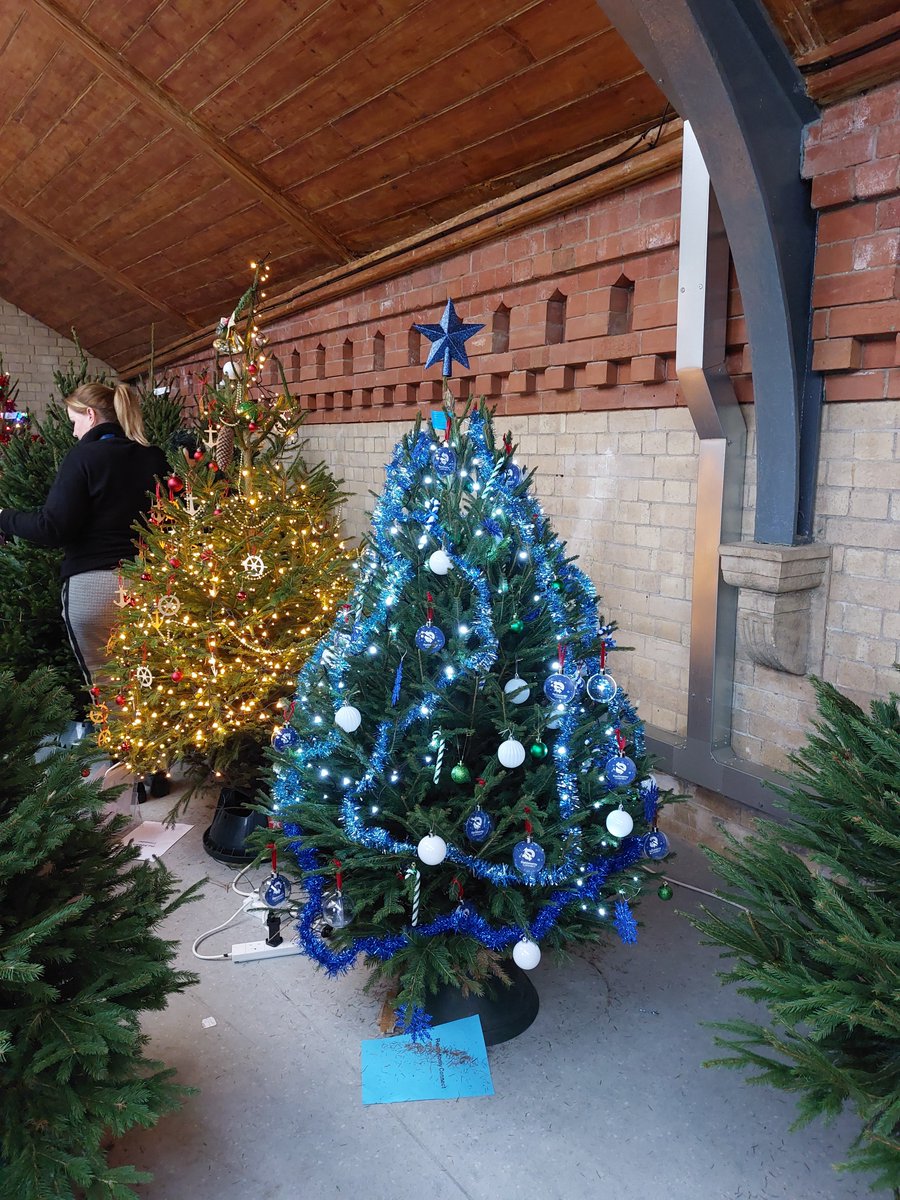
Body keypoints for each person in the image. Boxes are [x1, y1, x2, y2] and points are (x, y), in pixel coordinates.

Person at [0, 380, 167, 712]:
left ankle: (121, 747)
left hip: (94, 590)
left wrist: (5, 517)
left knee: (111, 692)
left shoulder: (84, 457)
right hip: (151, 586)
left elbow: (54, 527)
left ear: (90, 415)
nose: (74, 432)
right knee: (154, 685)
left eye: (74, 421)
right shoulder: (154, 457)